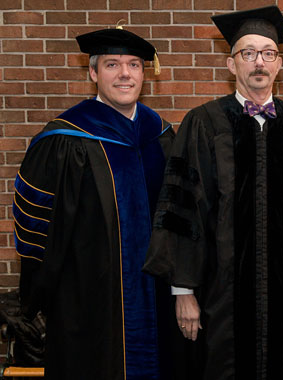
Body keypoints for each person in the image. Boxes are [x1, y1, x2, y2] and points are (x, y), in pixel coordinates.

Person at [143, 5, 283, 380]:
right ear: (231, 65)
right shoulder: (203, 122)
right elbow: (181, 210)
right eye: (247, 53)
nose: (258, 62)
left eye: (267, 53)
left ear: (279, 63)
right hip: (221, 294)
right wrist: (184, 291)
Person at [12, 27, 175, 379]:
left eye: (134, 65)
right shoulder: (65, 138)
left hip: (156, 292)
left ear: (145, 74)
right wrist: (44, 294)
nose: (125, 74)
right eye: (112, 65)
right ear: (93, 73)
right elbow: (35, 226)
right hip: (86, 297)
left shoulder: (160, 134)